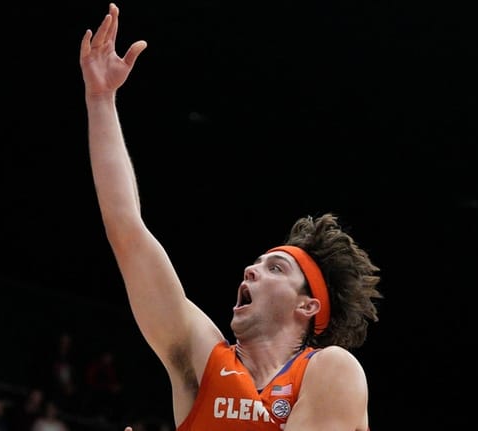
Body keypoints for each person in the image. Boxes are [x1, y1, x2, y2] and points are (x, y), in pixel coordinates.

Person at [79, 3, 383, 430]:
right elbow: (127, 230)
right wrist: (101, 100)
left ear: (308, 304)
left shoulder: (332, 371)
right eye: (256, 263)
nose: (250, 270)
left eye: (275, 268)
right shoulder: (203, 359)